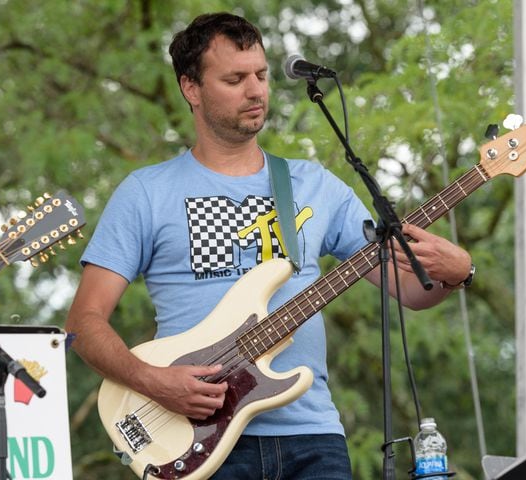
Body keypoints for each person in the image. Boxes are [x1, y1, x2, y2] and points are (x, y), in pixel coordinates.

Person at [65, 12, 473, 479]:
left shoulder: (313, 184)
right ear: (191, 89)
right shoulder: (146, 192)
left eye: (260, 75)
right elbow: (83, 323)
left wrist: (456, 272)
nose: (256, 90)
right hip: (196, 436)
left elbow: (409, 292)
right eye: (235, 79)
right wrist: (154, 382)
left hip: (313, 436)